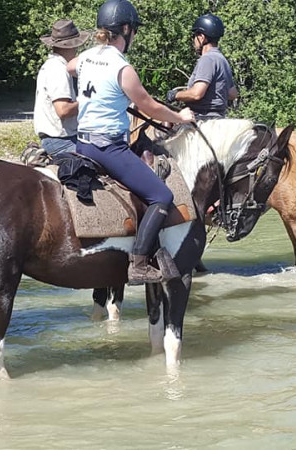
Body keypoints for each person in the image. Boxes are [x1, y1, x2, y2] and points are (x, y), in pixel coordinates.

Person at [68, 0, 195, 284]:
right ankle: (138, 263)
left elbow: (69, 67)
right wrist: (180, 116)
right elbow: (150, 107)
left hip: (83, 143)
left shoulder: (86, 57)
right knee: (162, 196)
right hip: (108, 148)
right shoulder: (123, 69)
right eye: (133, 31)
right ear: (125, 29)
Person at [34, 19, 90, 155]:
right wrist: (91, 100)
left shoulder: (54, 65)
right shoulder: (58, 69)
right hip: (61, 141)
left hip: (60, 139)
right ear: (72, 45)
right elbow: (63, 110)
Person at [166, 13, 238, 119]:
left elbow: (197, 94)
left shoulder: (207, 59)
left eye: (194, 36)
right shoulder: (222, 60)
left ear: (202, 37)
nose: (193, 40)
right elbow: (233, 94)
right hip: (220, 118)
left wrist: (175, 95)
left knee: (164, 134)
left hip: (202, 118)